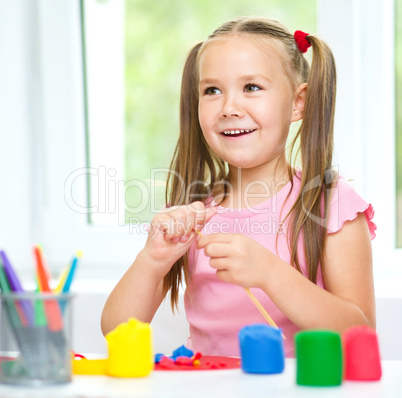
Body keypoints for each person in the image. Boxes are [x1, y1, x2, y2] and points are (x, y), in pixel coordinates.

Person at [101, 17, 376, 357]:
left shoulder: (331, 204)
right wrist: (152, 260)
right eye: (212, 90)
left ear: (298, 102)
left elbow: (359, 336)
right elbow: (116, 330)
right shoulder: (193, 212)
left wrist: (271, 274)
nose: (229, 108)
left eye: (252, 87)